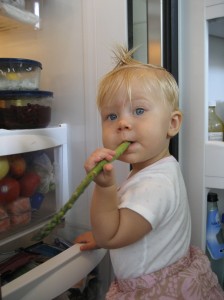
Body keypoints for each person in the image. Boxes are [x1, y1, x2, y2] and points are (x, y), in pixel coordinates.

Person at [75, 47, 224, 299]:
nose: (122, 123)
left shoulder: (154, 184)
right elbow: (131, 228)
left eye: (139, 111)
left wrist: (104, 189)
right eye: (111, 116)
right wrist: (103, 236)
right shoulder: (162, 168)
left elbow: (111, 234)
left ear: (172, 124)